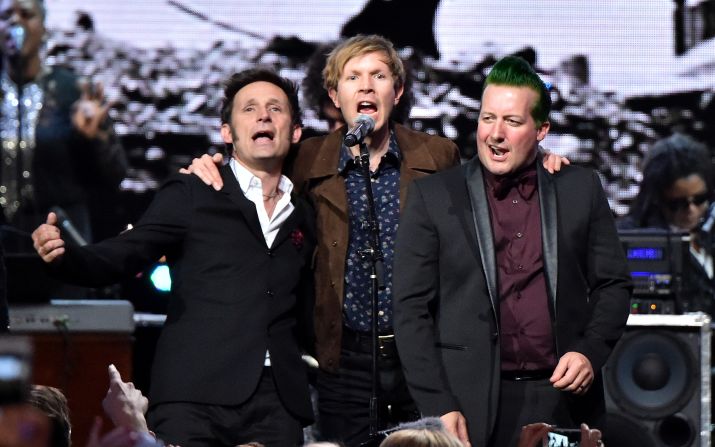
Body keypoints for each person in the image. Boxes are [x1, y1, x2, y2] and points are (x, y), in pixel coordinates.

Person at [185, 36, 568, 447]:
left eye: (378, 76)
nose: (366, 86)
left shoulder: (437, 156)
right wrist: (208, 165)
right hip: (344, 357)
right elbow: (253, 168)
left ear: (397, 91)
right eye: (353, 77)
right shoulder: (309, 159)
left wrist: (538, 164)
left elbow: (490, 193)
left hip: (423, 356)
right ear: (335, 94)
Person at [31, 68, 316, 447]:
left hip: (276, 403)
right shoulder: (193, 192)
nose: (263, 115)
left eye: (275, 108)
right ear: (227, 133)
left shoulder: (307, 210)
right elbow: (124, 255)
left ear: (295, 131)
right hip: (194, 397)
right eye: (249, 108)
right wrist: (64, 257)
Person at [392, 56, 632, 447]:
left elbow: (614, 285)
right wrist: (438, 405)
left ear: (541, 130)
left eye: (512, 122)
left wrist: (589, 353)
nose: (495, 134)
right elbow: (410, 309)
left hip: (562, 400)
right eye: (487, 119)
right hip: (467, 404)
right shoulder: (434, 197)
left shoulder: (578, 189)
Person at [0, 0, 126, 252]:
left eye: (26, 15)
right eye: (6, 16)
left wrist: (95, 140)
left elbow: (115, 174)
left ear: (44, 28)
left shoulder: (73, 91)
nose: (16, 22)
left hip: (62, 238)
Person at [618, 133, 715, 315]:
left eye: (699, 199)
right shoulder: (631, 238)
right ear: (657, 199)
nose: (691, 209)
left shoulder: (710, 234)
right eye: (678, 203)